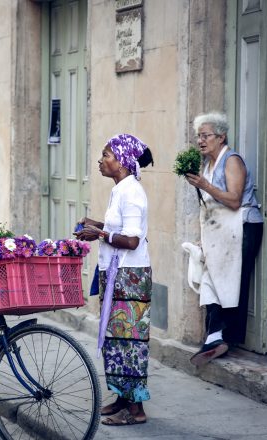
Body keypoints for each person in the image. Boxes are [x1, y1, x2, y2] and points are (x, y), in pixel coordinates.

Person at [75, 134, 154, 426]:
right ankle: (122, 398)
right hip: (118, 274)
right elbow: (118, 228)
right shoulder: (121, 188)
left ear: (122, 161)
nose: (101, 159)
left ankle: (136, 410)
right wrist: (95, 224)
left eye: (106, 154)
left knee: (129, 342)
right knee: (116, 341)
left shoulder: (131, 192)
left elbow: (132, 240)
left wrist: (99, 234)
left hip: (130, 276)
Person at [185, 112, 263, 366]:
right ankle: (215, 337)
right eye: (198, 135)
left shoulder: (232, 161)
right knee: (211, 278)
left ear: (221, 136)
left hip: (243, 227)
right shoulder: (207, 164)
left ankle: (223, 337)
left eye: (206, 135)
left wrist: (205, 185)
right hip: (220, 232)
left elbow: (234, 200)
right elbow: (210, 208)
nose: (200, 140)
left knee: (230, 281)